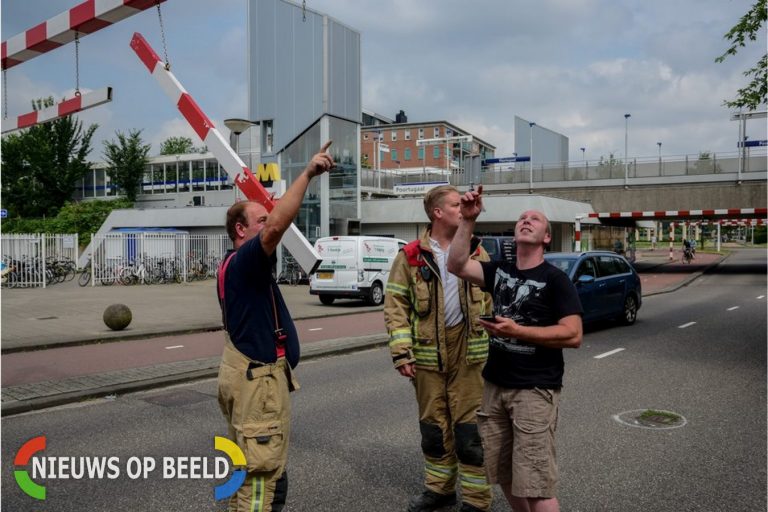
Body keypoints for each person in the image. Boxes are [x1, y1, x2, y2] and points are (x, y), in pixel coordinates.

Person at [447, 186, 583, 512]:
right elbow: (456, 265)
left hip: (534, 391)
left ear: (546, 238)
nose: (526, 220)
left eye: (534, 219)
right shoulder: (500, 271)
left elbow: (573, 334)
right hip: (495, 387)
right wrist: (468, 220)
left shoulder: (555, 280)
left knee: (535, 484)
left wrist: (517, 330)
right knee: (504, 474)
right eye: (522, 218)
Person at [216, 142, 334, 512]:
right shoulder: (245, 261)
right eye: (260, 221)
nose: (268, 226)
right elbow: (279, 225)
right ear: (241, 229)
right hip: (259, 384)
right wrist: (308, 174)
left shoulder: (237, 266)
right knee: (261, 476)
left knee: (253, 467)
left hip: (251, 377)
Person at [384, 185, 493, 512]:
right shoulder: (411, 256)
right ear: (438, 213)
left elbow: (490, 298)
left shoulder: (476, 251)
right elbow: (395, 305)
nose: (463, 208)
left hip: (469, 354)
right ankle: (439, 490)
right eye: (456, 204)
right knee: (434, 429)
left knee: (469, 431)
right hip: (428, 358)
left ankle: (476, 500)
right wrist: (402, 352)